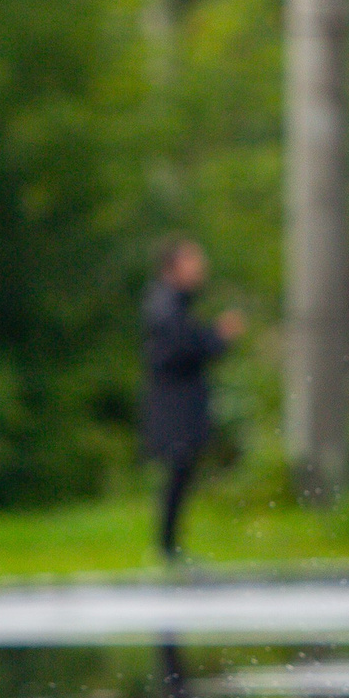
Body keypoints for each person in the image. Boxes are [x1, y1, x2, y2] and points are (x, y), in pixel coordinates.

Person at [141, 238, 243, 564]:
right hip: (174, 405)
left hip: (178, 402)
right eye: (193, 262)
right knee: (177, 472)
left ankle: (169, 547)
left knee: (182, 473)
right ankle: (167, 549)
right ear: (174, 267)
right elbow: (181, 351)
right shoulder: (165, 304)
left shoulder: (173, 302)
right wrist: (218, 337)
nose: (200, 268)